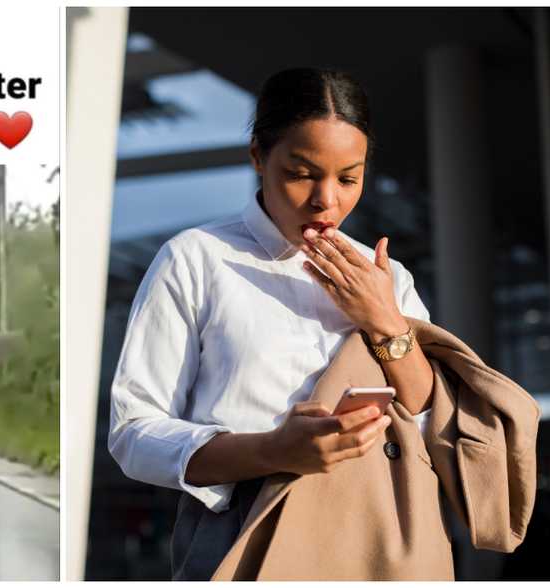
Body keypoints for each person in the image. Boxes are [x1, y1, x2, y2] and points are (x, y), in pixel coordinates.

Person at [107, 67, 437, 580]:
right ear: (259, 156)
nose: (327, 199)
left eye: (350, 177)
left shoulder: (387, 277)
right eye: (302, 172)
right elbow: (133, 432)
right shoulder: (197, 259)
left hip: (373, 527)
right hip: (242, 523)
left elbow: (428, 418)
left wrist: (384, 319)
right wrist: (270, 450)